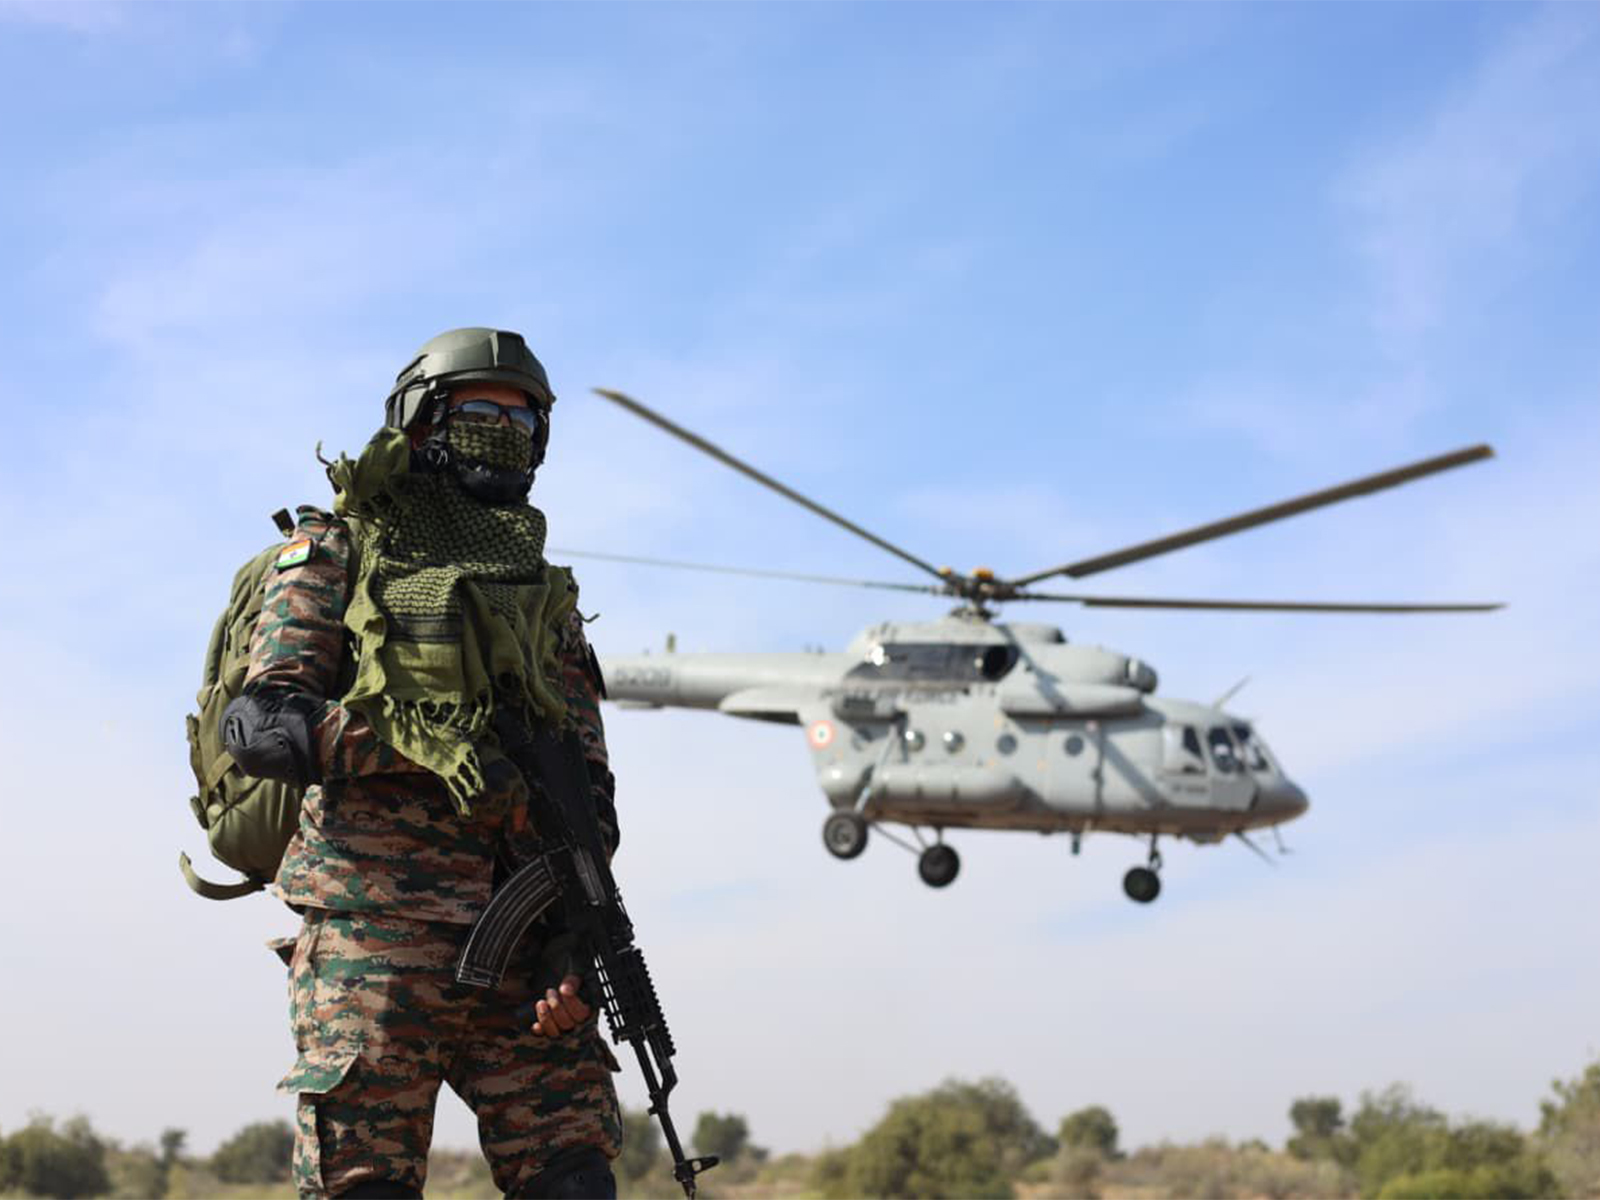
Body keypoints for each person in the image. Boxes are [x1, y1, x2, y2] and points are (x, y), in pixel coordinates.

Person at [222, 328, 622, 1199]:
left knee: (577, 1179)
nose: (505, 434)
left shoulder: (544, 596)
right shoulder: (338, 552)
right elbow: (258, 725)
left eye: (524, 421)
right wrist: (424, 745)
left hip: (522, 956)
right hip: (373, 943)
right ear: (420, 424)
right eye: (482, 413)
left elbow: (588, 792)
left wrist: (573, 946)